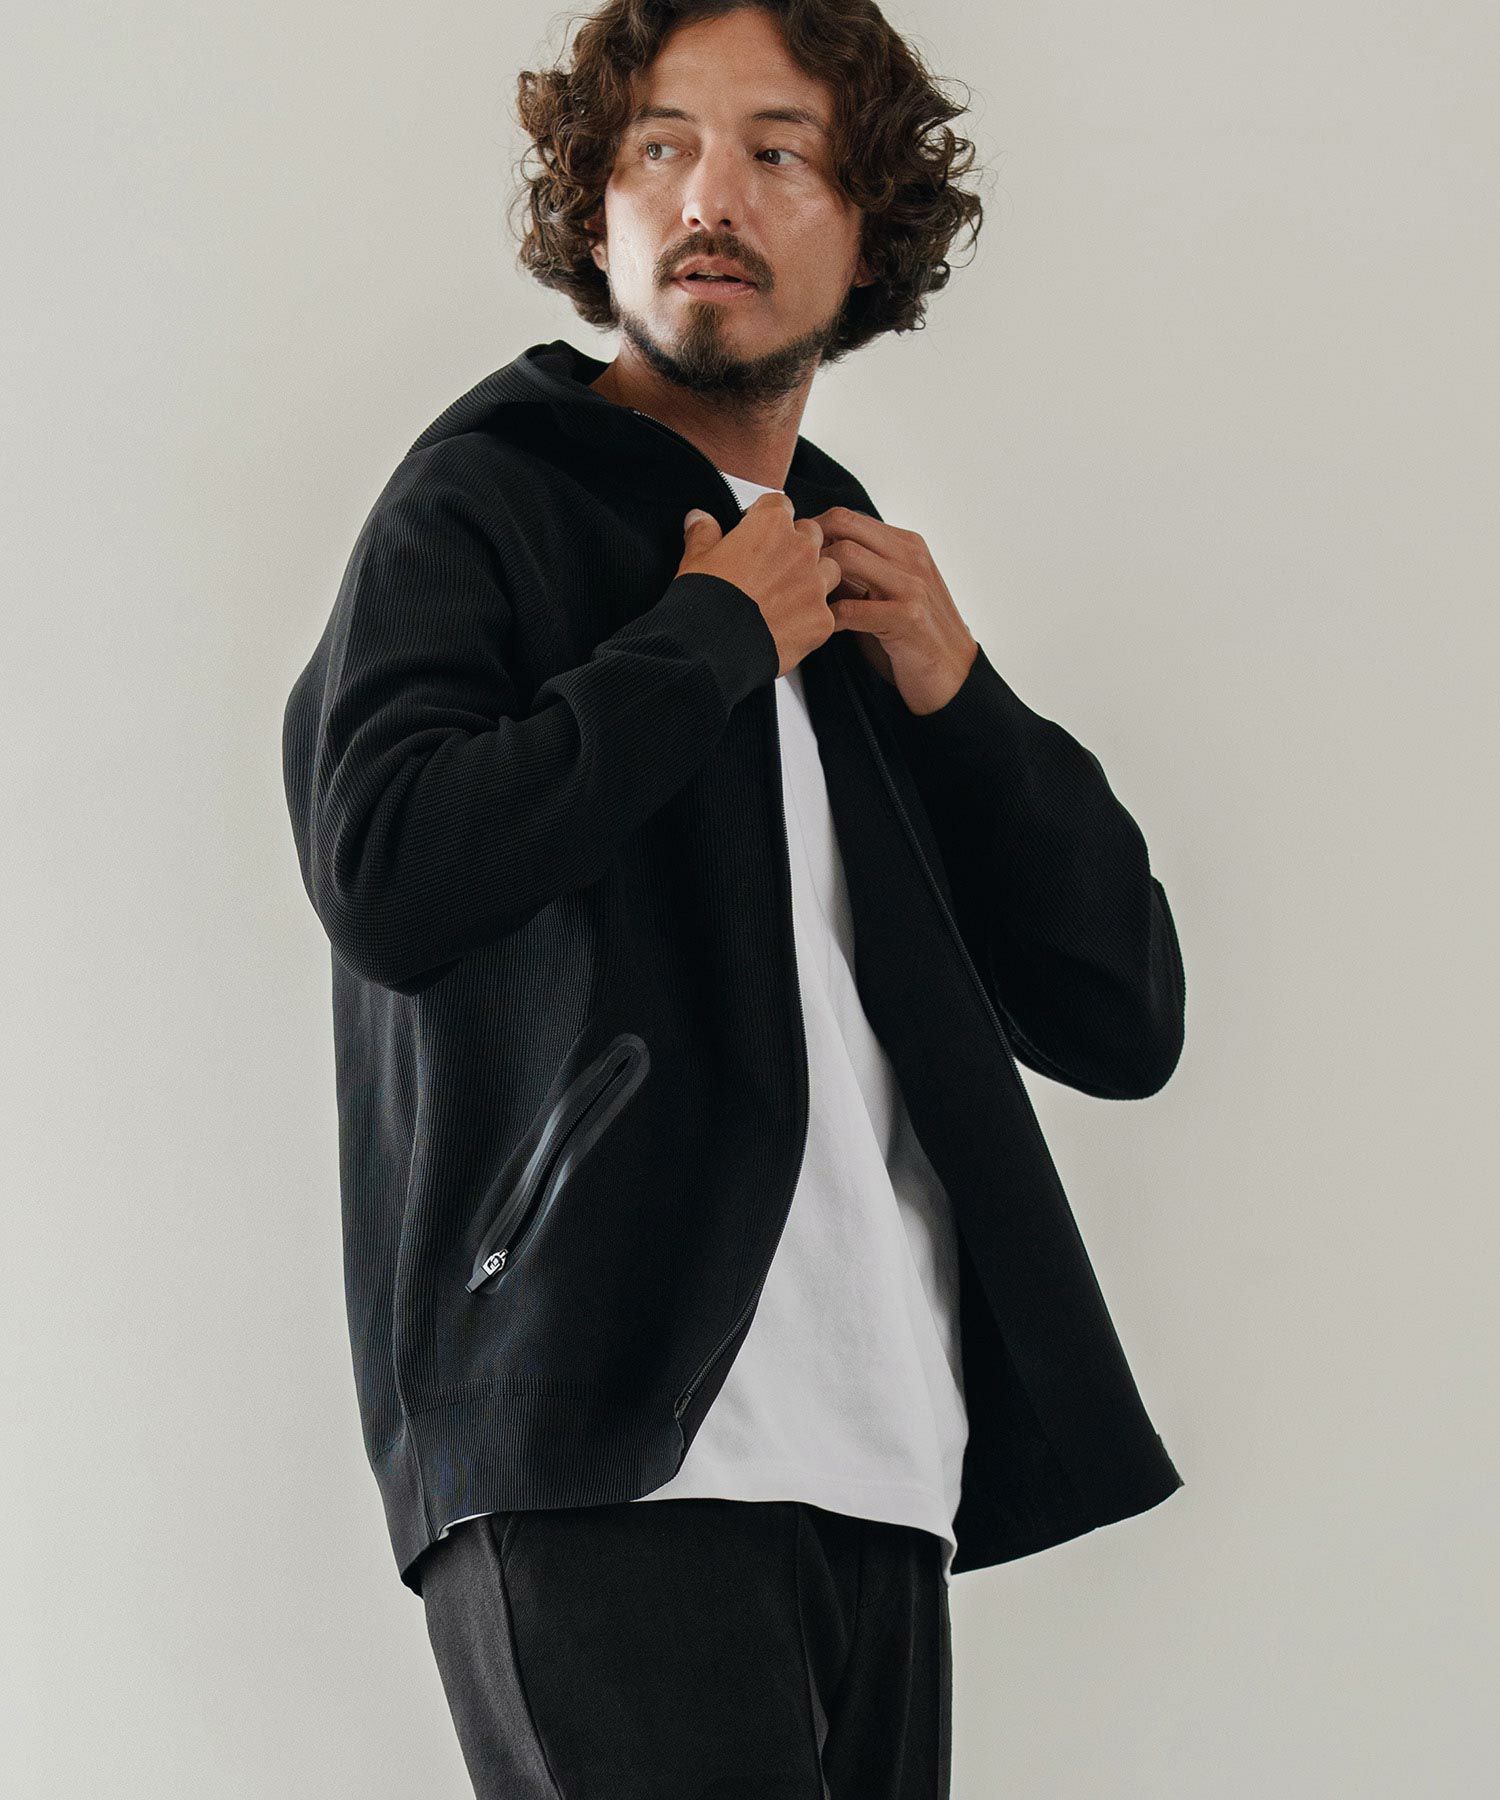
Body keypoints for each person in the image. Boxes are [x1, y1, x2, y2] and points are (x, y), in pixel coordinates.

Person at [280, 3, 1188, 1794]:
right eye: (661, 148)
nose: (713, 195)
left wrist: (963, 697)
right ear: (596, 207)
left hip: (882, 1460)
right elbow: (388, 870)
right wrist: (699, 644)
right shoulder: (484, 501)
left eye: (780, 154)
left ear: (870, 230)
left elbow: (1124, 1016)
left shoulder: (850, 578)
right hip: (599, 1441)